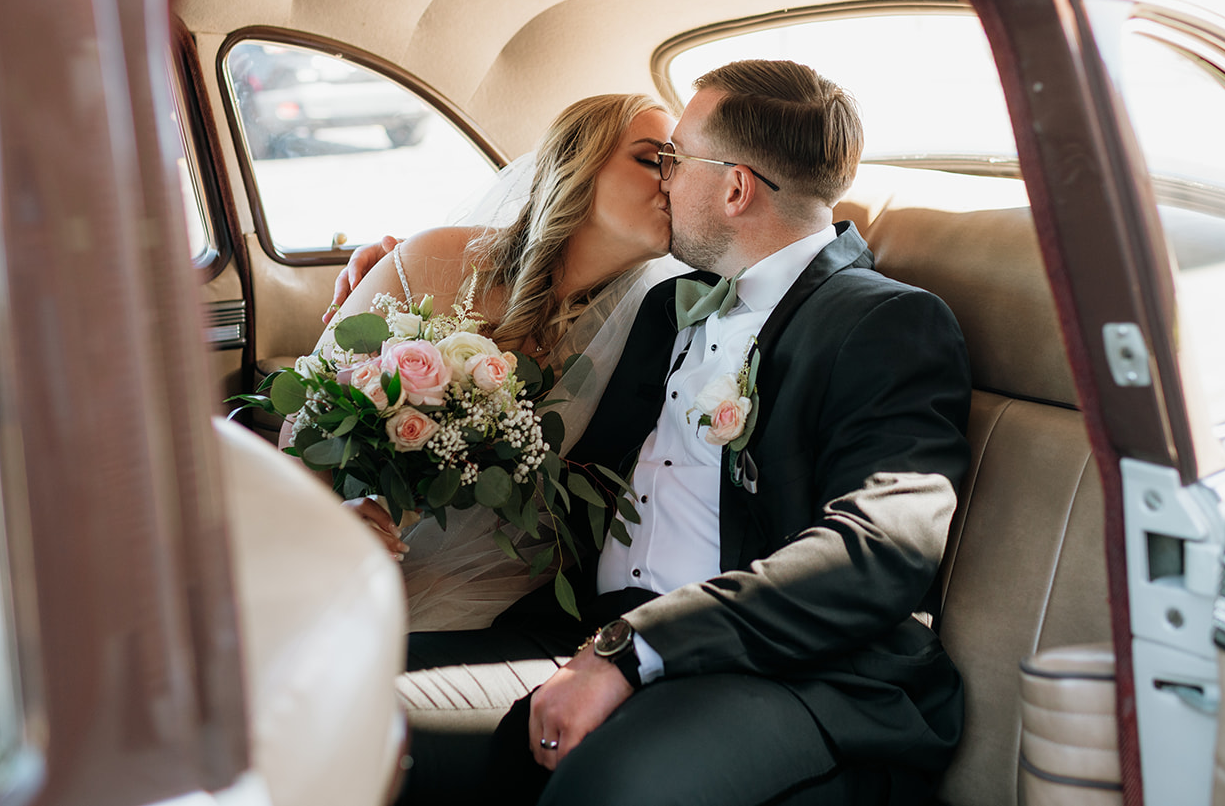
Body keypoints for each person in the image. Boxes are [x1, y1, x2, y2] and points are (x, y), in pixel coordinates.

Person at [392, 60, 972, 806]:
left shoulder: (888, 321)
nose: (663, 178)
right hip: (587, 629)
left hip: (780, 672)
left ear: (735, 187)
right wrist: (405, 278)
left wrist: (639, 649)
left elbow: (878, 551)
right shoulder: (666, 307)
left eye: (675, 159)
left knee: (609, 787)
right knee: (337, 697)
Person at [288, 91, 681, 630]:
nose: (672, 181)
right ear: (577, 166)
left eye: (678, 166)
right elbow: (304, 431)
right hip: (355, 558)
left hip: (510, 592)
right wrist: (331, 519)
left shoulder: (667, 321)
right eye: (650, 159)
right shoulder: (426, 262)